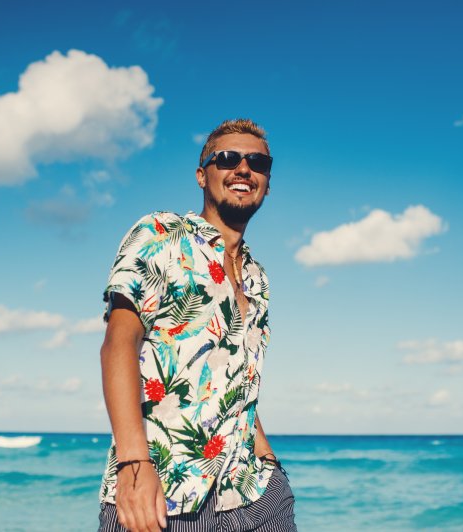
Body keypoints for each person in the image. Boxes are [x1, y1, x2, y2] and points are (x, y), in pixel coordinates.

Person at [98, 119, 296, 531]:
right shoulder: (161, 235)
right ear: (202, 175)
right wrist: (134, 464)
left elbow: (237, 377)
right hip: (164, 500)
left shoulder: (257, 277)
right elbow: (119, 344)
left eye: (257, 162)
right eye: (227, 158)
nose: (243, 168)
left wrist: (269, 460)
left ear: (267, 183)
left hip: (256, 496)